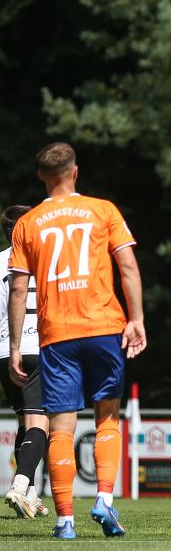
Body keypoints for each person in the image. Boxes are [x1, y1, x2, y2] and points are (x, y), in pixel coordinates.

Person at [7, 142, 147, 539]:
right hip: (104, 326)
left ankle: (65, 520)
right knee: (107, 416)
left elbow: (19, 291)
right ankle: (104, 499)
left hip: (56, 334)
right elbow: (128, 265)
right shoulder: (103, 209)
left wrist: (17, 346)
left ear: (41, 177)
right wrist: (136, 319)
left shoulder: (27, 223)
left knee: (61, 427)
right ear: (75, 172)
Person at [1, 205, 49, 519]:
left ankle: (29, 495)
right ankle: (20, 486)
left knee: (23, 423)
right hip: (38, 346)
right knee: (40, 424)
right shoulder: (46, 257)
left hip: (5, 349)